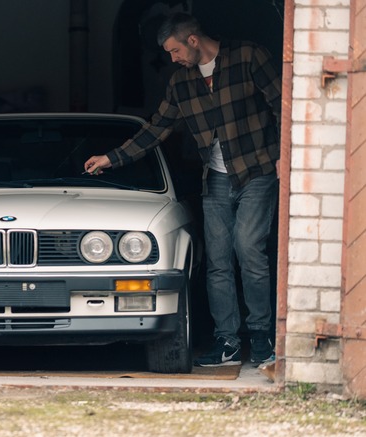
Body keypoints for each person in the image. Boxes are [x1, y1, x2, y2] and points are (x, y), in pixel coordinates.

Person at [84, 12, 281, 367]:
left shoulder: (249, 56)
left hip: (257, 171)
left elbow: (283, 104)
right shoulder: (181, 82)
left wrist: (288, 155)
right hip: (216, 178)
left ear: (192, 40)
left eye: (174, 50)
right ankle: (227, 342)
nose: (172, 59)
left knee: (249, 251)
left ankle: (262, 339)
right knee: (218, 262)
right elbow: (157, 127)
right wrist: (111, 158)